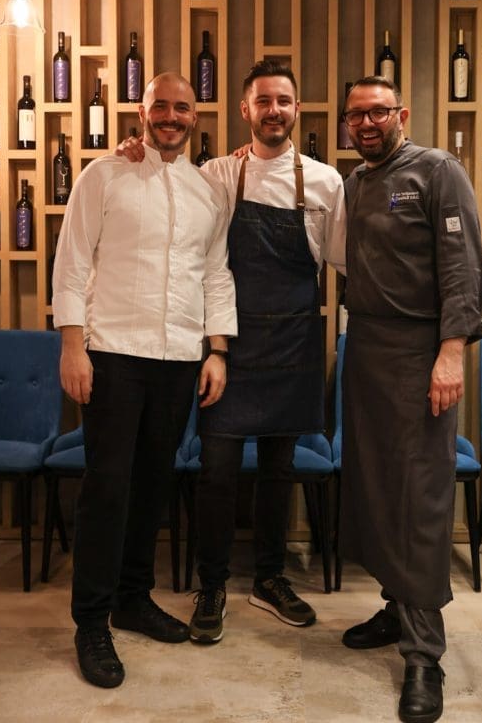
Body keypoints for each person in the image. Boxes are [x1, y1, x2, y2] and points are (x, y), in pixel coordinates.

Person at [116, 60, 346, 645]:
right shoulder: (216, 174)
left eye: (284, 101)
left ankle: (269, 578)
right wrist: (132, 150)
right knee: (216, 471)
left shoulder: (326, 182)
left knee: (278, 470)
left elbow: (345, 261)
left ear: (297, 109)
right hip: (230, 345)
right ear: (245, 110)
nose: (274, 110)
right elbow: (166, 187)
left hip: (293, 342)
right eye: (263, 101)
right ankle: (212, 583)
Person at [52, 72, 237, 688]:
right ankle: (91, 621)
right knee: (107, 488)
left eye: (182, 108)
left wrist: (216, 350)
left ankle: (132, 598)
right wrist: (72, 346)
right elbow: (72, 261)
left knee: (154, 485)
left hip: (179, 358)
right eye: (161, 106)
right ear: (142, 110)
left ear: (194, 117)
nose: (171, 117)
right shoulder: (104, 175)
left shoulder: (207, 190)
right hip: (111, 353)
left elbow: (215, 273)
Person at [339, 76, 482, 723]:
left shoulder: (437, 171)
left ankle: (424, 655)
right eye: (356, 115)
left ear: (401, 113)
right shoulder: (353, 182)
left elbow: (463, 267)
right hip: (366, 349)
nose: (367, 123)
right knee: (375, 488)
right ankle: (396, 606)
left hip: (421, 352)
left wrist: (450, 353)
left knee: (420, 498)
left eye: (378, 112)